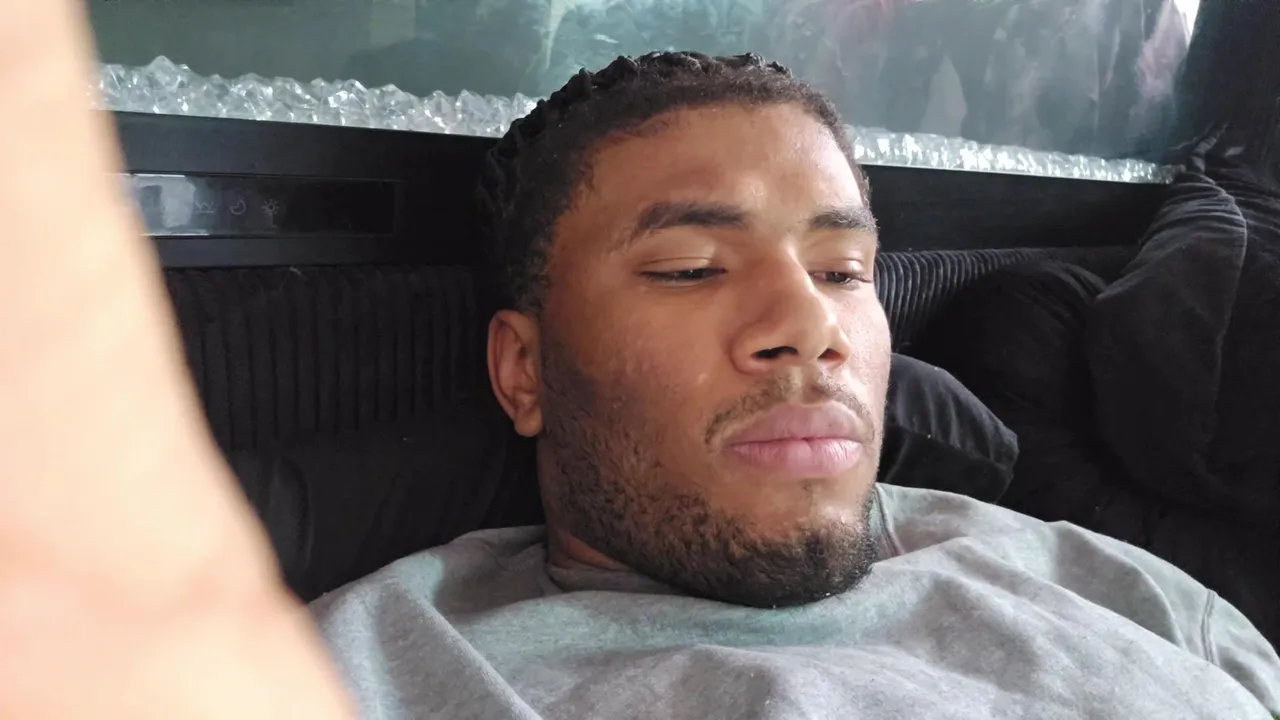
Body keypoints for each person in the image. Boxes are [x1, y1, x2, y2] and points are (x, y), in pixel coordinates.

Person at [0, 5, 1272, 720]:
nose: (808, 326)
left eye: (842, 270)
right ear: (523, 373)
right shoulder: (362, 677)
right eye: (689, 268)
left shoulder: (1103, 581)